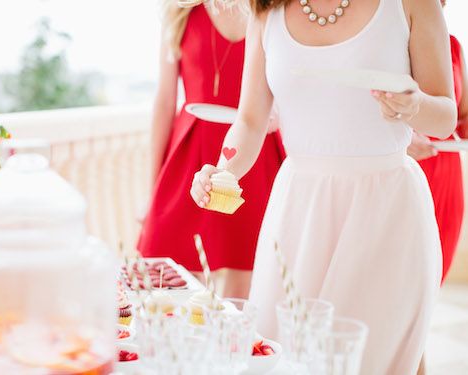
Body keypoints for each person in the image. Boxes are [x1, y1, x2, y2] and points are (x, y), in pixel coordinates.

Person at [190, 0, 457, 373]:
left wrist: (415, 107)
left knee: (368, 359)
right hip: (298, 213)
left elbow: (445, 116)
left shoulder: (413, 4)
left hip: (386, 213)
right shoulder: (265, 12)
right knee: (283, 356)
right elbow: (250, 120)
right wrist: (222, 172)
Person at [138, 1, 284, 298]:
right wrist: (152, 189)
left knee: (245, 287)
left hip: (254, 153)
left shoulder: (271, 10)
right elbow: (165, 102)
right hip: (190, 154)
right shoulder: (179, 13)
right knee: (164, 284)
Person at [408, 0, 467, 284]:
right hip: (407, 164)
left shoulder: (454, 46)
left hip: (446, 172)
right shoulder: (396, 42)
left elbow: (462, 115)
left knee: (437, 269)